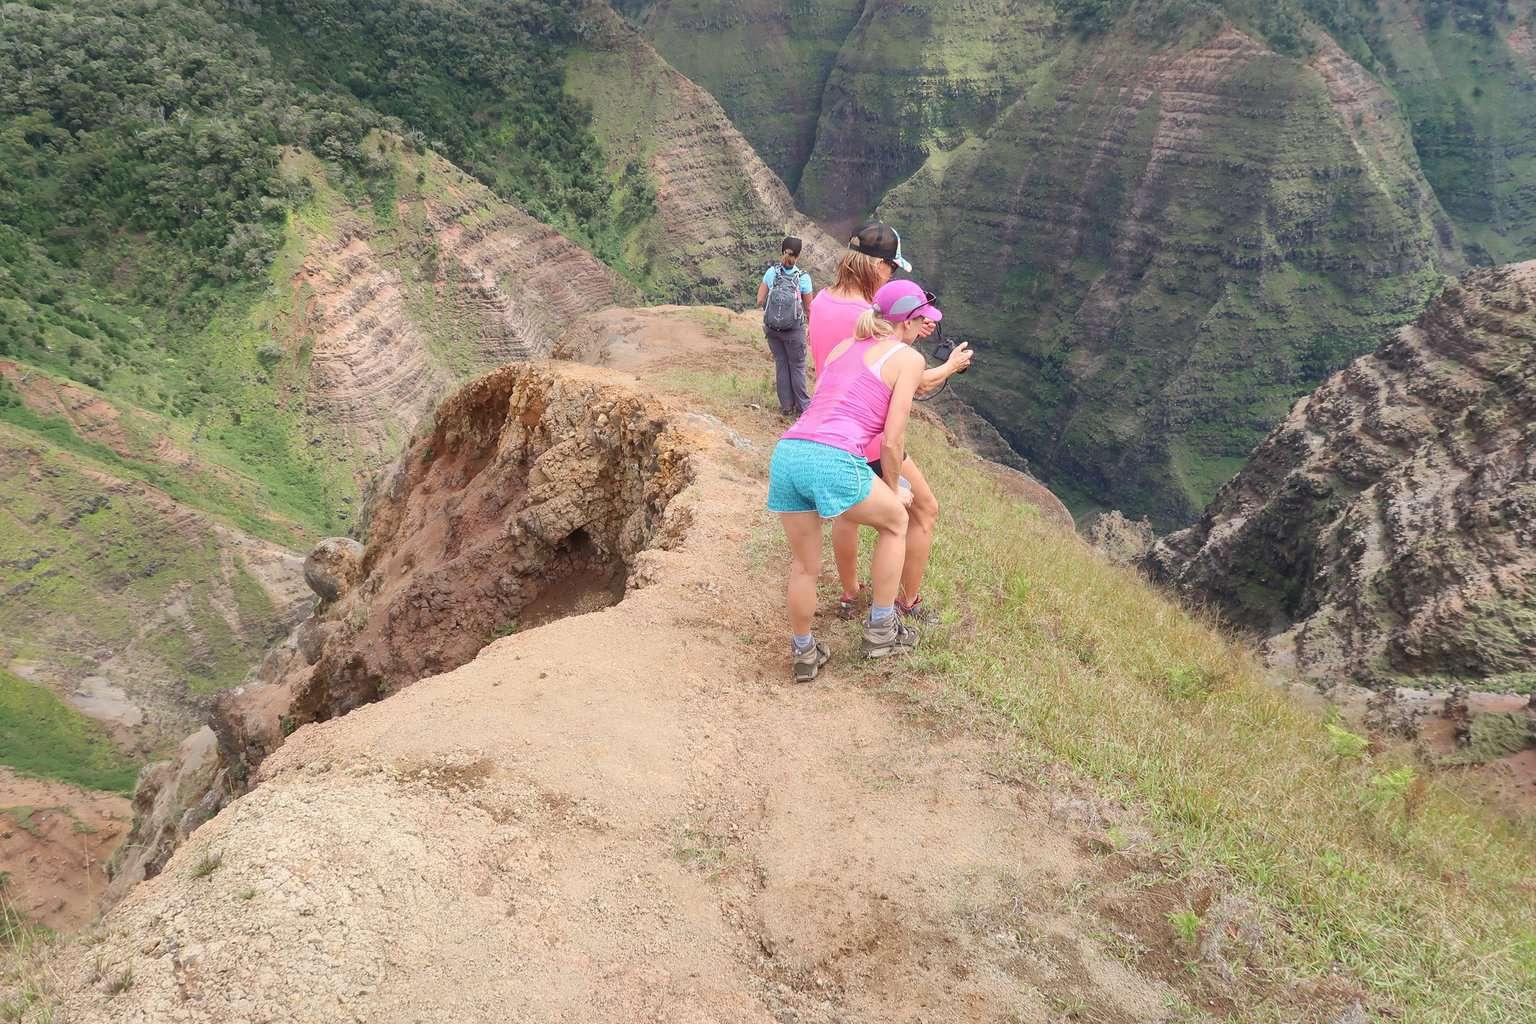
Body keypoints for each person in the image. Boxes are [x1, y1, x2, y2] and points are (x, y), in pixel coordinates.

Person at [766, 294, 938, 682]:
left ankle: (804, 652)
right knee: (895, 521)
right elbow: (893, 441)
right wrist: (893, 488)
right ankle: (881, 630)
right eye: (922, 320)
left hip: (789, 452)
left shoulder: (844, 346)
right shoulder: (908, 358)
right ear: (907, 322)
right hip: (834, 457)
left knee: (805, 565)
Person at [808, 224, 972, 623]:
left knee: (846, 514)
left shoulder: (822, 301)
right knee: (923, 511)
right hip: (869, 435)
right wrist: (949, 368)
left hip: (829, 429)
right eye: (892, 269)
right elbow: (906, 381)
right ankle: (905, 602)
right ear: (879, 267)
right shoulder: (866, 316)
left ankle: (850, 593)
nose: (892, 276)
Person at [757, 236, 814, 416]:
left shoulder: (771, 272)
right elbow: (809, 308)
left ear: (782, 251)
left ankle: (787, 407)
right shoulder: (803, 278)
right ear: (798, 255)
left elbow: (760, 300)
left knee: (781, 364)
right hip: (793, 330)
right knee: (797, 366)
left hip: (772, 329)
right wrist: (810, 326)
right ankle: (804, 409)